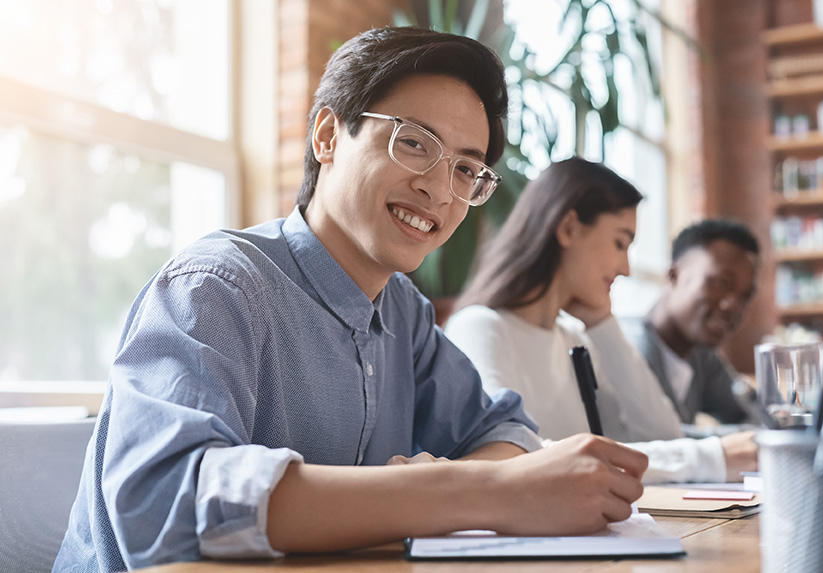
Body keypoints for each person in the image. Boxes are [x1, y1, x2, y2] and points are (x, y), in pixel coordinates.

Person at [53, 28, 649, 572]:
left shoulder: (402, 311)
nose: (440, 190)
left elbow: (505, 429)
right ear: (328, 135)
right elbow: (170, 507)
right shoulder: (215, 286)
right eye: (414, 143)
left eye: (466, 170)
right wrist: (480, 492)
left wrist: (466, 481)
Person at [446, 157, 757, 484]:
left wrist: (602, 325)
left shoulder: (574, 337)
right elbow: (519, 458)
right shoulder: (481, 328)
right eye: (620, 243)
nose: (625, 268)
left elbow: (662, 434)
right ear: (568, 228)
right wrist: (710, 458)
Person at [618, 219, 760, 426]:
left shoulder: (701, 357)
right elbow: (659, 442)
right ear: (674, 276)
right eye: (722, 283)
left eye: (745, 296)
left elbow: (752, 414)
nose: (734, 306)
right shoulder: (629, 349)